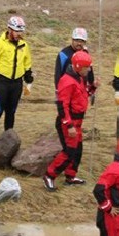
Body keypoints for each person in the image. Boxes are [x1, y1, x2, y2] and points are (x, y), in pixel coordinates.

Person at [0, 16, 34, 155]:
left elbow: (27, 65)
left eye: (21, 32)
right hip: (1, 83)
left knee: (11, 113)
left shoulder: (24, 45)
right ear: (9, 29)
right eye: (16, 31)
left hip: (16, 84)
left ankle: (8, 143)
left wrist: (28, 81)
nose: (19, 34)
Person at [43, 51, 93, 191]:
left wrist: (93, 87)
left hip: (77, 122)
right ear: (78, 66)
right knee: (69, 151)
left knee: (77, 150)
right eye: (86, 67)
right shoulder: (67, 81)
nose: (89, 70)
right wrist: (69, 125)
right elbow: (62, 105)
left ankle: (70, 176)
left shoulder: (79, 78)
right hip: (69, 122)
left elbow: (83, 94)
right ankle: (49, 175)